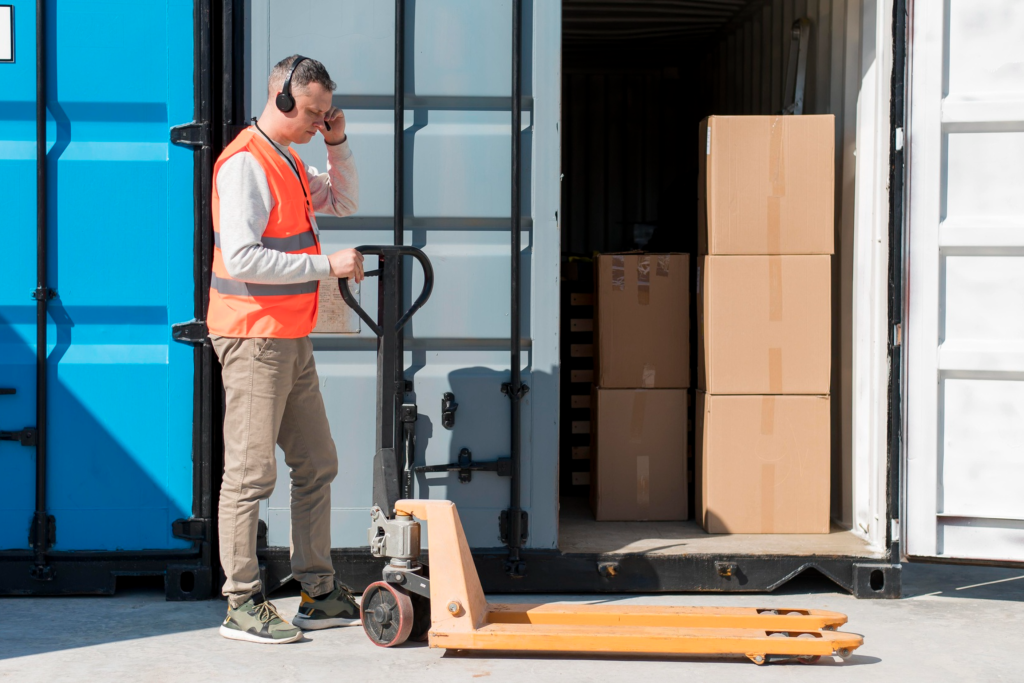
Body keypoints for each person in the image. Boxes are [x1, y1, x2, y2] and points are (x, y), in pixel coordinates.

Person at [208, 54, 364, 644]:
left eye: (327, 114)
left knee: (317, 463)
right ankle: (241, 603)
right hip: (253, 337)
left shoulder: (290, 159)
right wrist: (327, 265)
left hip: (289, 336)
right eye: (315, 113)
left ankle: (317, 593)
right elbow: (243, 257)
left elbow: (343, 202)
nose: (320, 122)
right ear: (281, 100)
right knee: (250, 475)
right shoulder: (246, 164)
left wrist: (337, 142)